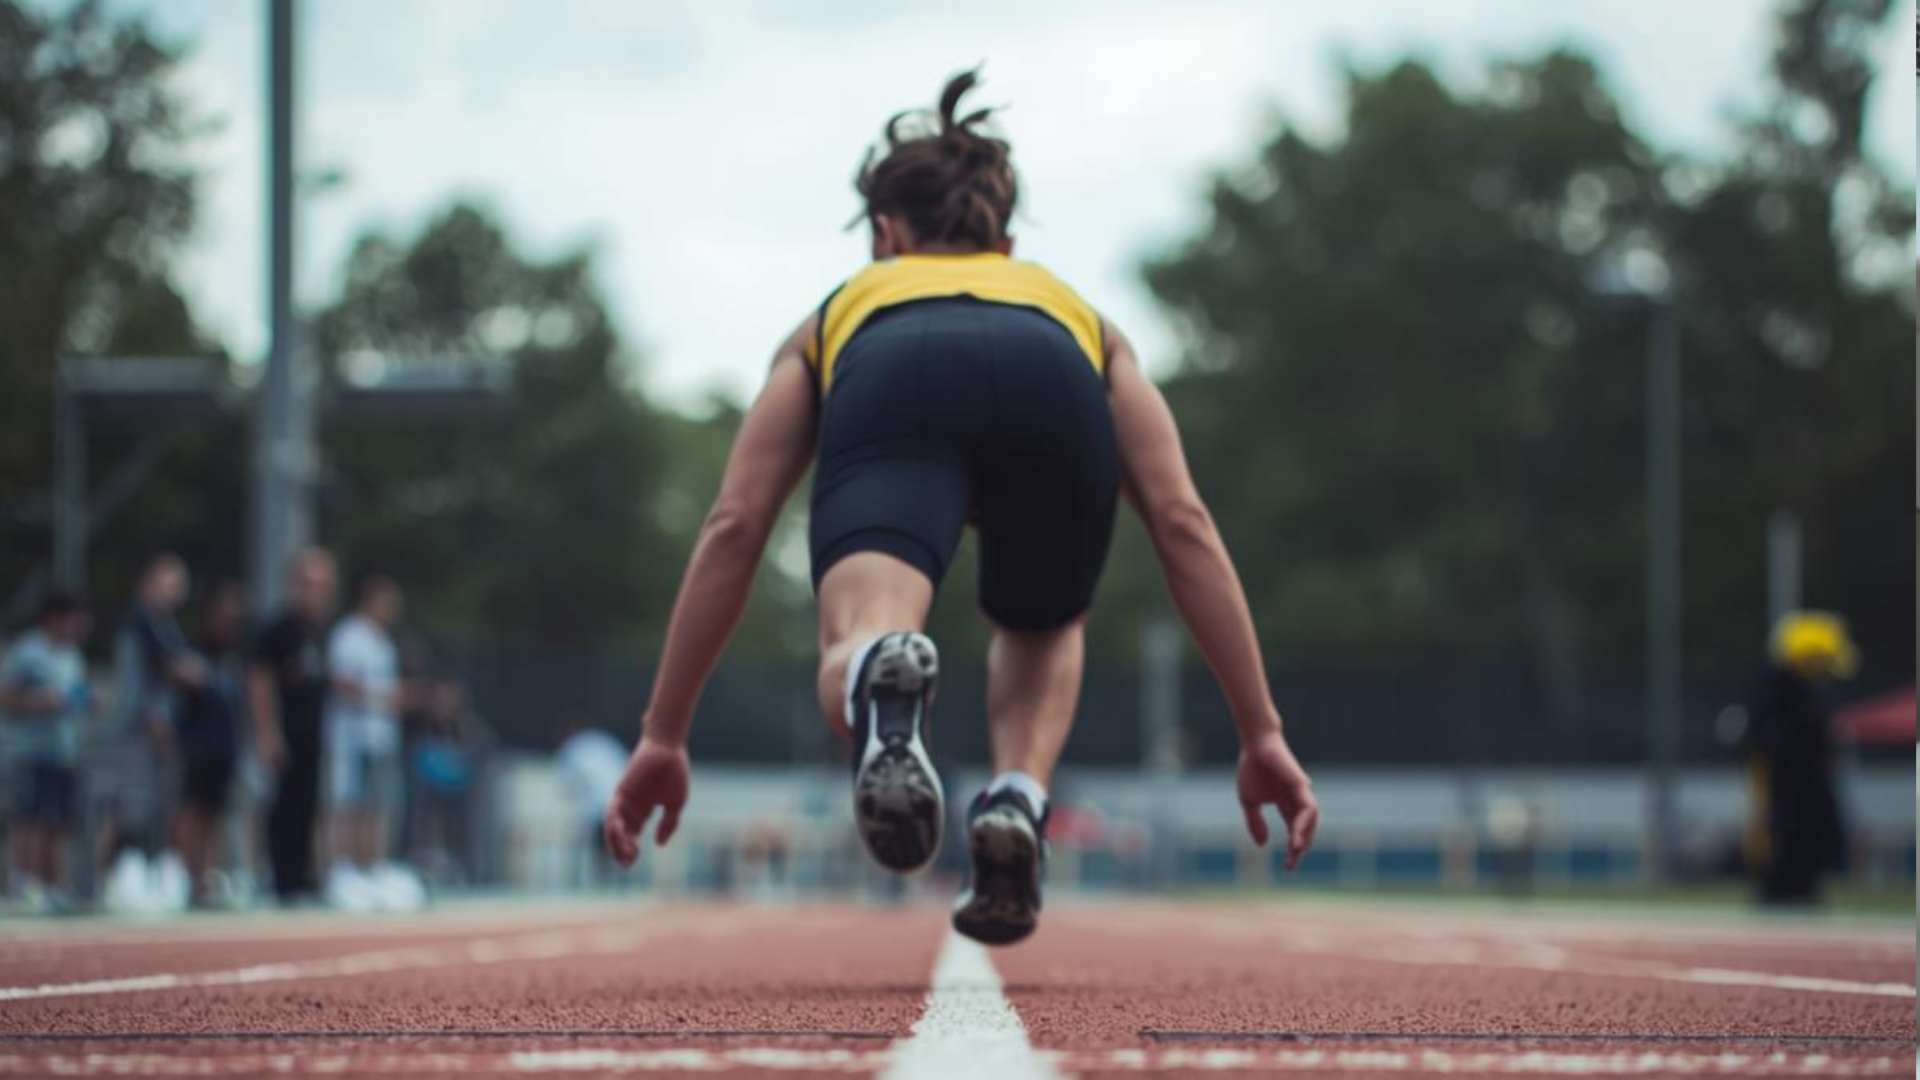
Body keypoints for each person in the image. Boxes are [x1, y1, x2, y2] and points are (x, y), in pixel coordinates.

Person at [603, 70, 1319, 945]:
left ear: (884, 234)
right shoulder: (1081, 317)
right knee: (1045, 625)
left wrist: (665, 732)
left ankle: (873, 670)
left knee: (863, 630)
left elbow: (735, 525)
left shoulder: (841, 311)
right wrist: (1261, 730)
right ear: (1006, 241)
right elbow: (1181, 521)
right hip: (1053, 376)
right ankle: (1018, 797)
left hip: (896, 369)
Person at [1742, 610, 1857, 907]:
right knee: (1780, 831)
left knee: (1815, 832)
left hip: (1810, 784)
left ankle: (1806, 886)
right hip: (1783, 782)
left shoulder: (1817, 693)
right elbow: (1762, 743)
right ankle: (1776, 889)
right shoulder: (1778, 691)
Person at [249, 547, 337, 904]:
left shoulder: (318, 632)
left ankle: (302, 878)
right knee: (281, 806)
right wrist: (268, 732)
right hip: (285, 733)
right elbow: (259, 681)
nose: (316, 593)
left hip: (313, 735)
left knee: (308, 804)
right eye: (309, 584)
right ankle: (279, 879)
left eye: (322, 586)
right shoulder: (277, 630)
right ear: (293, 585)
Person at [322, 574, 412, 910]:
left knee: (377, 806)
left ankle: (371, 869)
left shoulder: (383, 642)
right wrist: (384, 698)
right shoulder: (349, 636)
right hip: (350, 736)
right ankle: (341, 870)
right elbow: (341, 683)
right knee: (347, 804)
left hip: (380, 737)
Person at [0, 591, 91, 913]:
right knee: (31, 819)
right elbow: (5, 695)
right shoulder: (27, 651)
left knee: (58, 822)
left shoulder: (72, 655)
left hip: (63, 751)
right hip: (32, 750)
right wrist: (39, 701)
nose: (77, 626)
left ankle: (55, 887)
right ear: (54, 618)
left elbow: (76, 696)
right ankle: (25, 885)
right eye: (71, 619)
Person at [111, 553, 204, 861]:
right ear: (148, 583)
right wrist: (152, 717)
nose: (174, 592)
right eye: (168, 584)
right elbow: (139, 677)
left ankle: (144, 870)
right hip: (141, 727)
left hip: (158, 726)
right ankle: (115, 873)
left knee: (154, 804)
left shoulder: (163, 624)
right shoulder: (139, 623)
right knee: (133, 804)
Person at [173, 581, 248, 908]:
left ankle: (207, 878)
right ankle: (186, 878)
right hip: (198, 745)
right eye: (224, 617)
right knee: (193, 810)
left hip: (225, 746)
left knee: (215, 814)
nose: (229, 625)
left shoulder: (234, 657)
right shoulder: (192, 652)